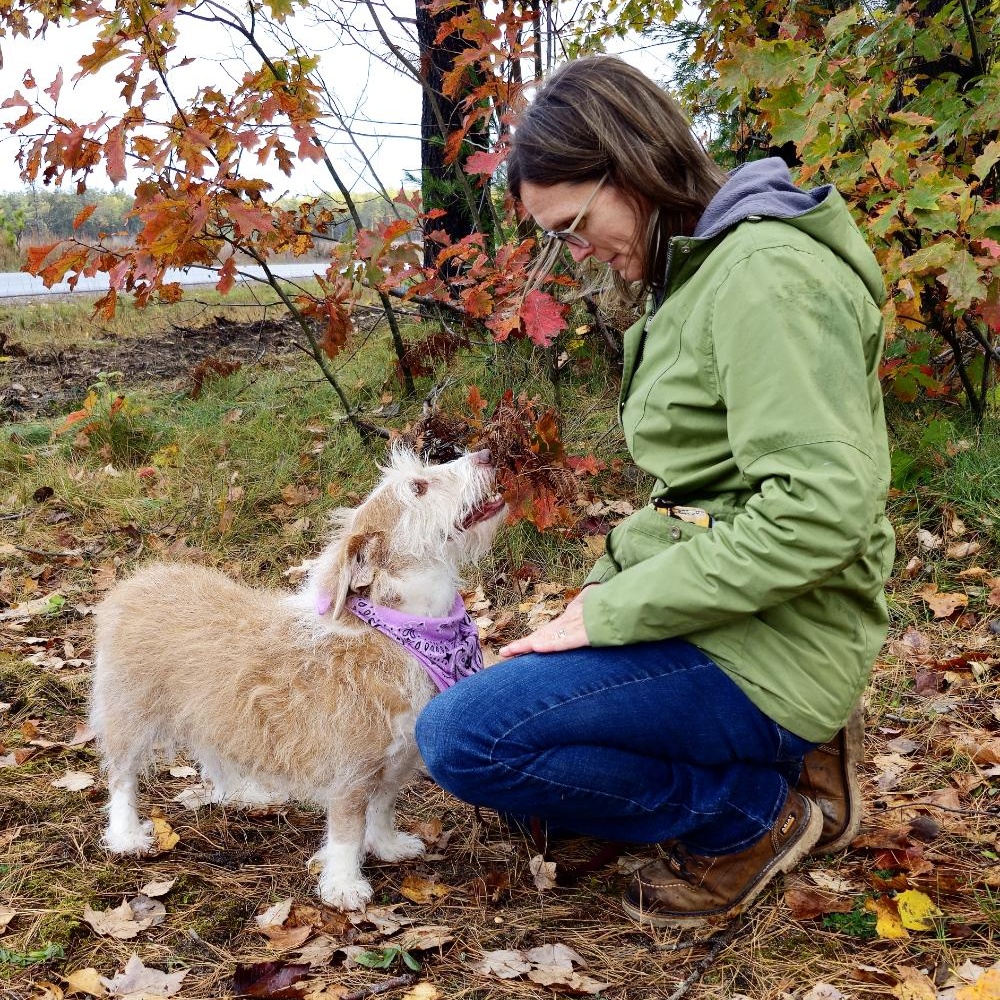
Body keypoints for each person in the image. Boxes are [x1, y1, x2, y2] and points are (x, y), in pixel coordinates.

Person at [415, 55, 894, 928]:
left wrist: (608, 620)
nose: (573, 252)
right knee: (514, 731)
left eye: (573, 225)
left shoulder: (764, 280)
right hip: (732, 614)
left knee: (465, 740)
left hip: (784, 634)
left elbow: (820, 511)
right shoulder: (694, 278)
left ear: (630, 163)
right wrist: (603, 586)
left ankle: (753, 814)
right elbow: (695, 499)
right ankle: (770, 759)